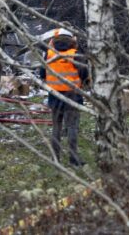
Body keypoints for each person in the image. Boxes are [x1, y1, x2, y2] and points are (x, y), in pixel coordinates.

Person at [39, 30, 89, 167]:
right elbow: (85, 74)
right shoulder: (75, 54)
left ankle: (56, 159)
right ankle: (73, 159)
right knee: (72, 127)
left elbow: (42, 73)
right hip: (72, 95)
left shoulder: (49, 53)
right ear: (72, 39)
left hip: (54, 95)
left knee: (56, 127)